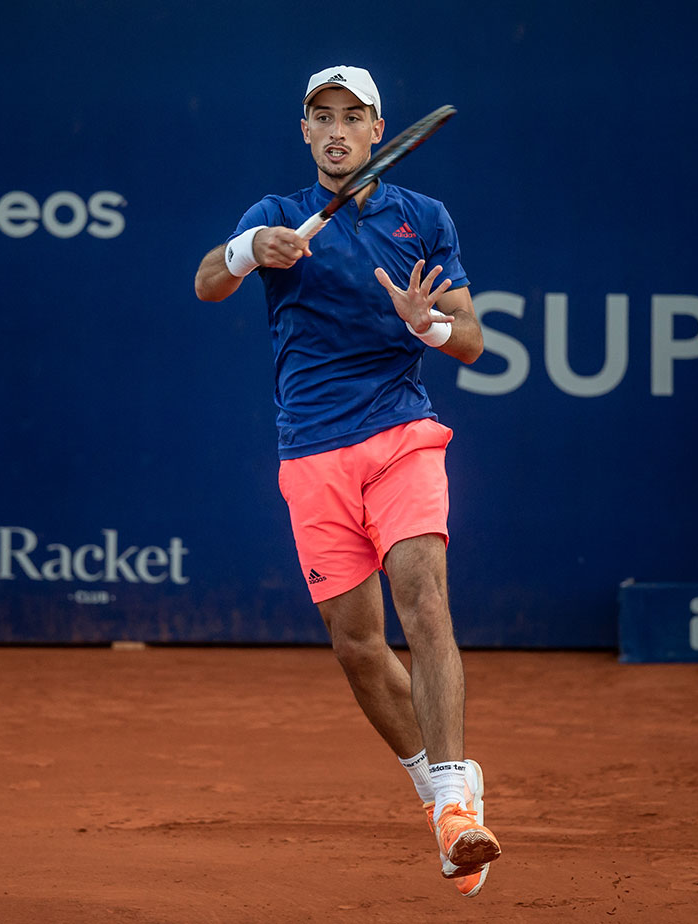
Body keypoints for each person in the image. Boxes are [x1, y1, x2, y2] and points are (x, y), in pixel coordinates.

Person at [194, 65, 501, 897]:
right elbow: (207, 284)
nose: (336, 130)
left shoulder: (423, 220)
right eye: (320, 117)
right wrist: (248, 249)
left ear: (377, 131)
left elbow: (469, 340)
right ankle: (442, 797)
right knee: (359, 646)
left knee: (422, 594)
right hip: (312, 452)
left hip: (401, 434)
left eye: (352, 117)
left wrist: (425, 321)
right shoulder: (276, 215)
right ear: (305, 132)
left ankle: (457, 814)